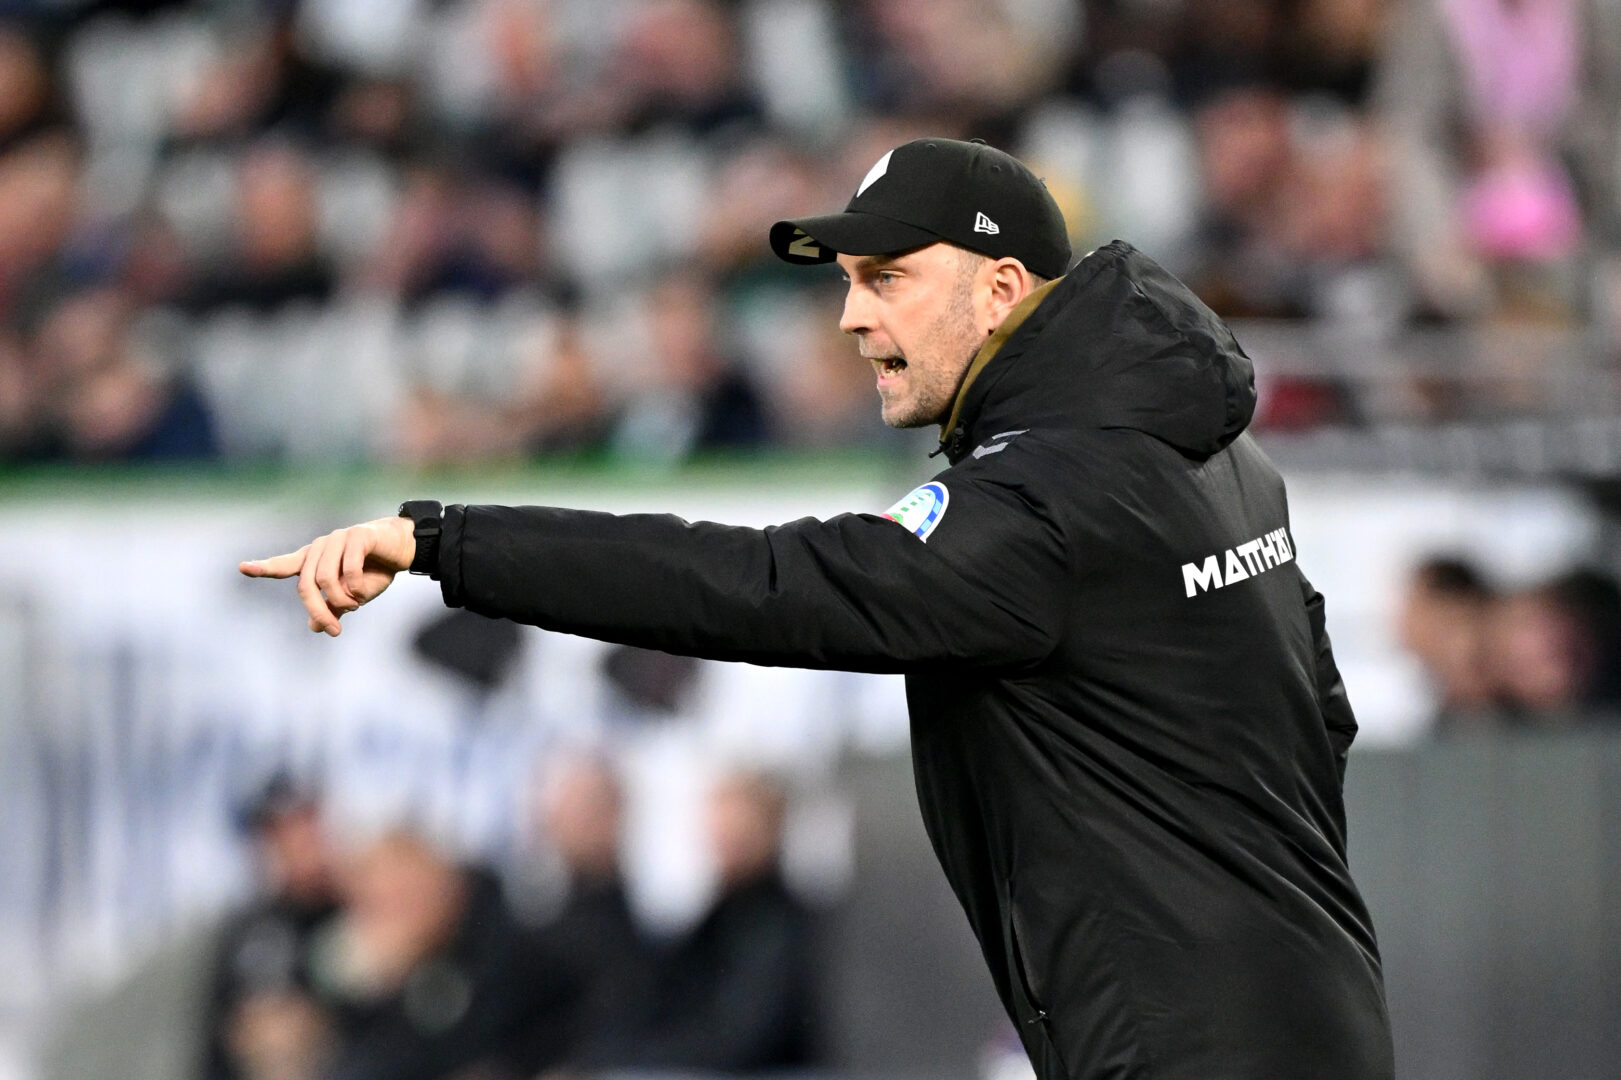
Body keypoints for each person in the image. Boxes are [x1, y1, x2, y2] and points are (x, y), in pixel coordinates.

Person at [242, 137, 1394, 1079]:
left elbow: (754, 585)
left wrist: (448, 541)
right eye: (847, 280)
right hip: (1314, 1013)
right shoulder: (1221, 460)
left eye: (886, 278)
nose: (849, 317)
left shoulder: (1037, 506)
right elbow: (1319, 715)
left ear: (1000, 288)